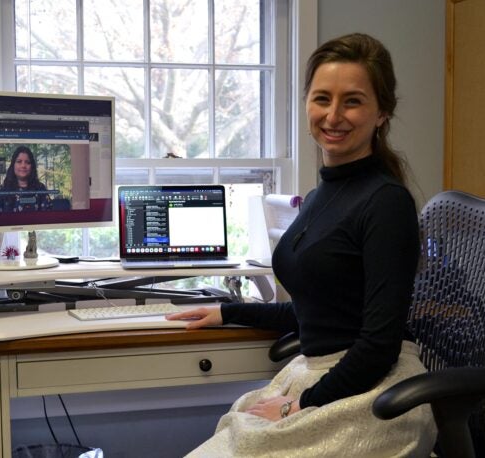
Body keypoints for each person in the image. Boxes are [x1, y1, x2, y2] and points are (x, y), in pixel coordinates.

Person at [167, 33, 436, 457]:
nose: (333, 115)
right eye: (322, 98)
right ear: (306, 103)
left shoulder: (385, 203)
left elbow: (378, 345)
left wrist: (299, 404)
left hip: (374, 394)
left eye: (352, 101)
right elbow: (320, 310)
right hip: (326, 380)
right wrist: (227, 311)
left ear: (382, 112)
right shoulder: (319, 197)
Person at [0, 146, 53, 213]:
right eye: (19, 161)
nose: (23, 166)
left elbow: (49, 215)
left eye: (27, 162)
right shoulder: (4, 189)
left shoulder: (40, 188)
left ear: (32, 166)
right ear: (13, 165)